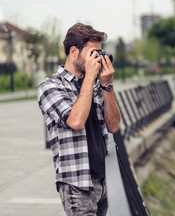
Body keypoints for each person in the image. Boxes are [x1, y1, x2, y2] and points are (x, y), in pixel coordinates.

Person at [38, 23, 121, 216]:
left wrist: (107, 85)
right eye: (92, 53)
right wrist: (91, 77)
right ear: (74, 51)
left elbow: (114, 125)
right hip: (76, 182)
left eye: (99, 53)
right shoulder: (50, 87)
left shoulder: (94, 85)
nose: (97, 59)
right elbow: (75, 121)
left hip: (102, 178)